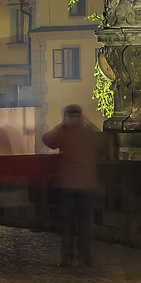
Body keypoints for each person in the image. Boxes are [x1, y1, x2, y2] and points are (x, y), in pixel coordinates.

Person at [43, 104, 104, 267]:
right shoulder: (89, 133)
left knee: (67, 224)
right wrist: (89, 124)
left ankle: (67, 257)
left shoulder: (63, 132)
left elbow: (47, 140)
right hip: (87, 185)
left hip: (67, 186)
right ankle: (84, 255)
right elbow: (103, 140)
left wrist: (61, 125)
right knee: (85, 224)